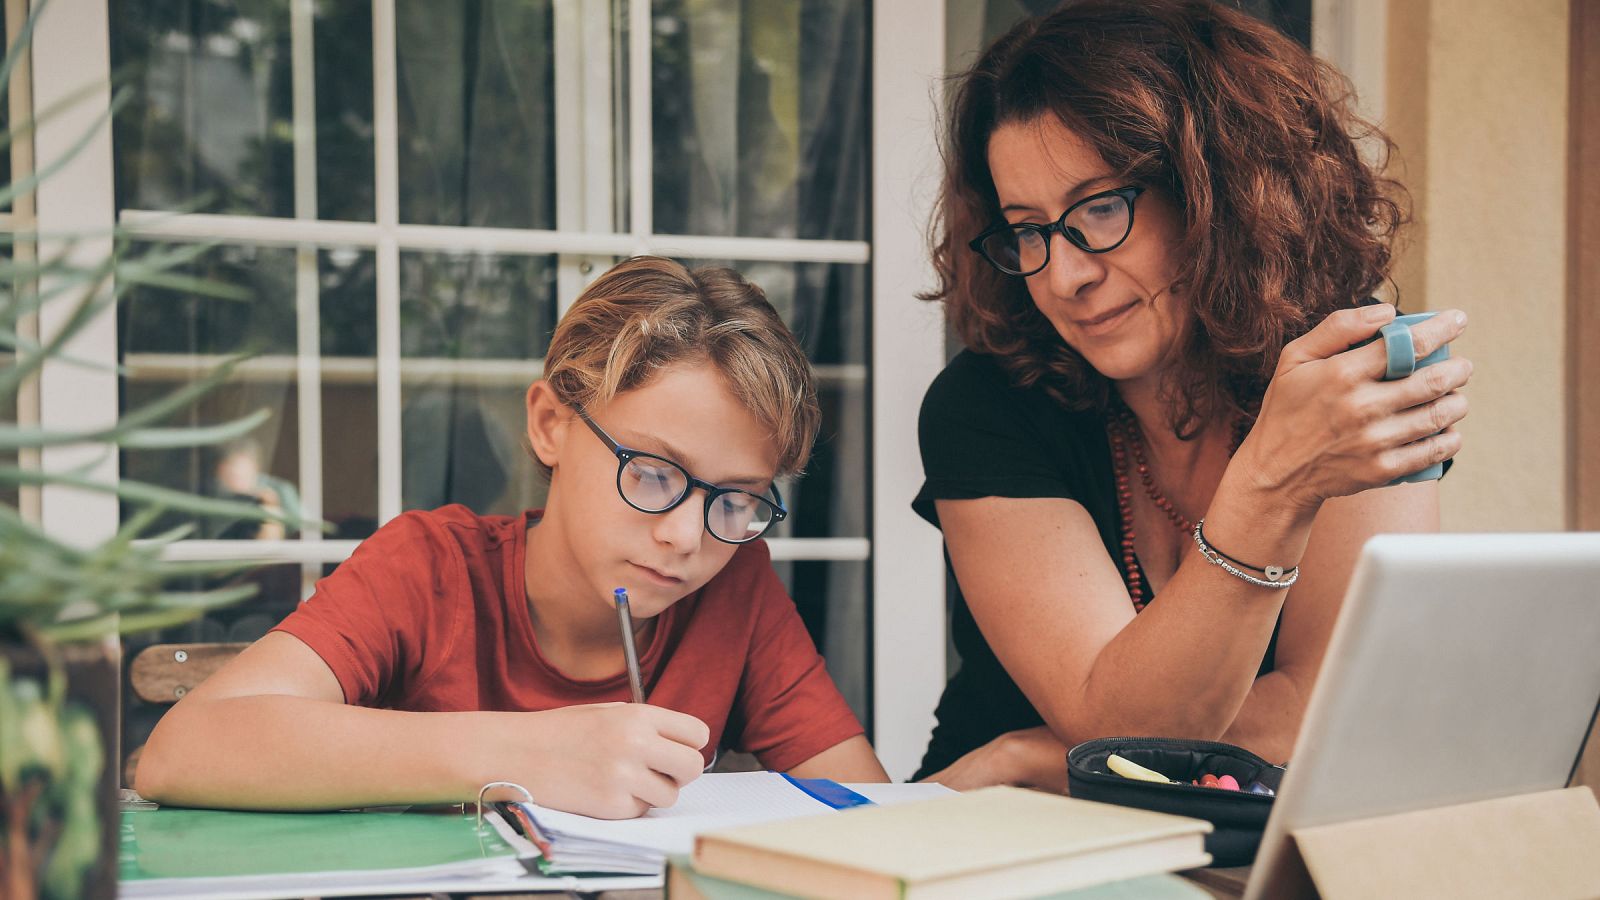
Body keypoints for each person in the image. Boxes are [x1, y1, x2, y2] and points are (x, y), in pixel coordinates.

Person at [912, 0, 1472, 791]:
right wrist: (1273, 482)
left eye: (1100, 208)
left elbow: (1331, 709)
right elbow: (1120, 723)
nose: (1064, 275)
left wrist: (1035, 755)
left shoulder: (1352, 377)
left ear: (1221, 192)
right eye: (1028, 229)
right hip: (1003, 833)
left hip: (1222, 836)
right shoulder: (987, 404)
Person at [136, 257, 889, 816]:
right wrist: (528, 753)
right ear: (550, 424)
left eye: (737, 500)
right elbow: (184, 750)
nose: (687, 536)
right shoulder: (430, 569)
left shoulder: (735, 587)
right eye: (655, 473)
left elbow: (864, 815)